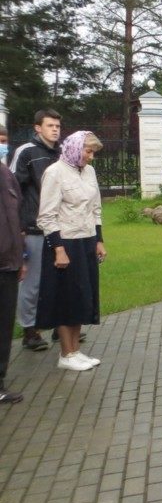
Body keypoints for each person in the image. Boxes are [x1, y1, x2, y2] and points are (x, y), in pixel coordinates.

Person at [35, 131, 106, 371]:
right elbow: (46, 215)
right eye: (88, 151)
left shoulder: (89, 171)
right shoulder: (55, 173)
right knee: (66, 298)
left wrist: (99, 240)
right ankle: (66, 353)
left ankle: (75, 350)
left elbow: (95, 208)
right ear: (75, 149)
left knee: (83, 297)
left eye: (93, 152)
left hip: (86, 241)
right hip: (65, 243)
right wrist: (58, 249)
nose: (91, 157)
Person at [12, 109, 62, 352]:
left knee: (58, 279)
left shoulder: (61, 153)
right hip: (34, 228)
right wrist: (19, 228)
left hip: (60, 228)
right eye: (50, 125)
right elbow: (13, 192)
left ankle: (57, 326)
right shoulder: (27, 152)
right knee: (33, 282)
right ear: (37, 128)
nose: (55, 130)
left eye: (57, 126)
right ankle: (30, 330)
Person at [0, 126, 26, 402]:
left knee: (4, 324)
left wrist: (20, 257)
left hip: (8, 261)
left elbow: (14, 216)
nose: (2, 147)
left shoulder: (7, 175)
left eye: (4, 142)